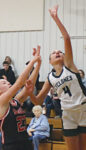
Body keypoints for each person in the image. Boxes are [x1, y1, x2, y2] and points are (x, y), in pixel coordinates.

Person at [28, 5, 86, 150]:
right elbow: (38, 101)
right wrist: (30, 92)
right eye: (54, 53)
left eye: (59, 51)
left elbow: (66, 38)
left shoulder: (70, 65)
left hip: (83, 109)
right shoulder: (50, 78)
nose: (58, 52)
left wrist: (55, 18)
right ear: (50, 61)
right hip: (68, 115)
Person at [0, 46, 41, 150]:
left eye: (7, 81)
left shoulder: (16, 100)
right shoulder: (0, 102)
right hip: (11, 145)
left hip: (25, 143)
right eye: (4, 82)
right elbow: (19, 82)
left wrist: (38, 64)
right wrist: (32, 61)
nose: (8, 83)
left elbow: (30, 84)